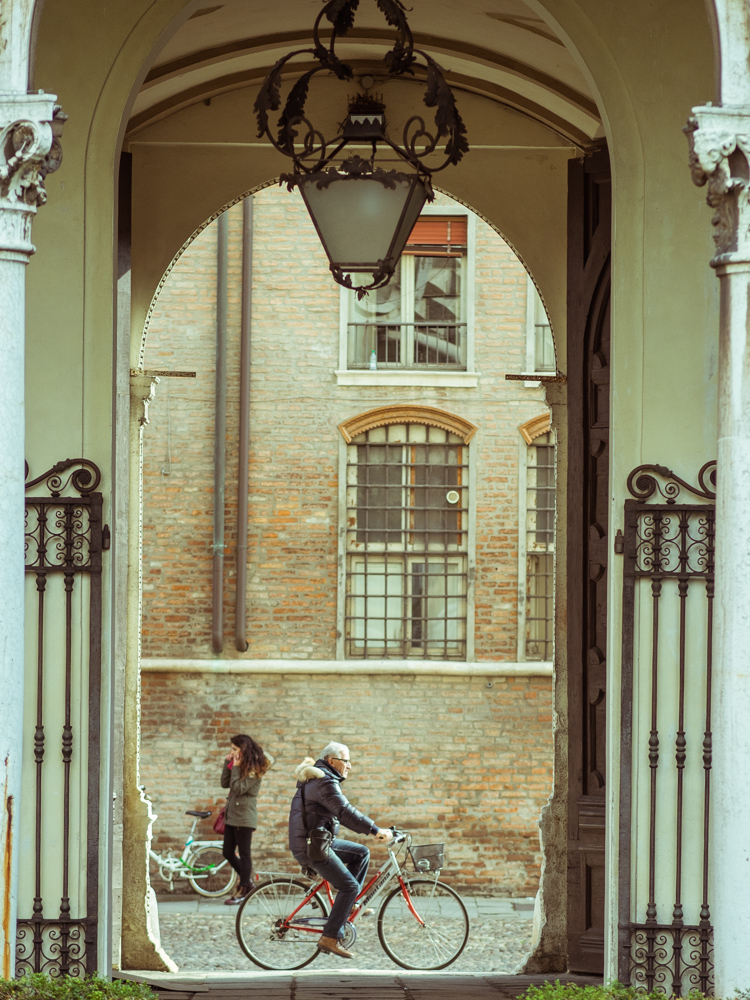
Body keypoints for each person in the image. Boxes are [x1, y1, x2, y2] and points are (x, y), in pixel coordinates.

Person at [288, 741, 393, 960]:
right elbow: (345, 812)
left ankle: (349, 906)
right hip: (312, 847)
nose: (350, 766)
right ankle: (330, 937)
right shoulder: (324, 781)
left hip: (317, 841)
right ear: (331, 761)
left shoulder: (321, 779)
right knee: (350, 886)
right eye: (346, 761)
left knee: (361, 853)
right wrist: (375, 830)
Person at [221, 733, 270, 904]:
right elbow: (224, 783)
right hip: (232, 816)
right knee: (227, 851)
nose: (232, 751)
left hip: (244, 817)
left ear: (243, 749)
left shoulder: (254, 770)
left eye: (234, 749)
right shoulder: (239, 766)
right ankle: (247, 882)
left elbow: (238, 788)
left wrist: (235, 766)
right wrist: (228, 763)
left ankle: (244, 890)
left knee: (244, 853)